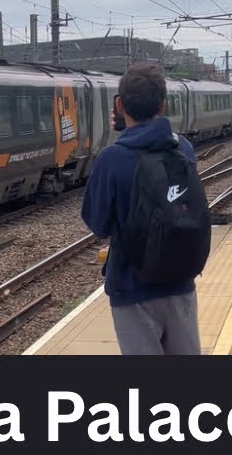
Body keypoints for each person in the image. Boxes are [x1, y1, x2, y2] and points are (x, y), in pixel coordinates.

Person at [81, 62, 208, 355]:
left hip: (131, 287)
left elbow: (98, 224)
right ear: (163, 105)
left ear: (120, 105)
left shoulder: (111, 159)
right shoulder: (183, 149)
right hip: (180, 281)